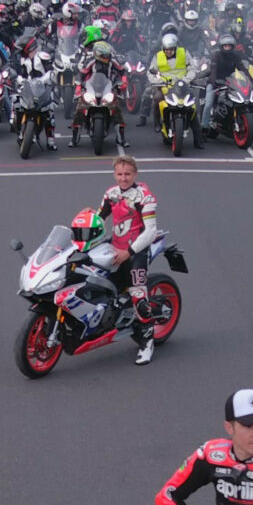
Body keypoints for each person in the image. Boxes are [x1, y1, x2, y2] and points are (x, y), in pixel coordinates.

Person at [97, 155, 160, 363]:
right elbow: (99, 219)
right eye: (119, 174)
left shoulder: (145, 197)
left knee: (138, 296)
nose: (123, 178)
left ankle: (147, 341)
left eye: (127, 174)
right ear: (114, 174)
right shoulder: (110, 193)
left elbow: (150, 232)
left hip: (137, 250)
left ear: (135, 174)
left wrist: (128, 253)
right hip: (115, 246)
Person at [78, 41, 133, 147]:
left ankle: (121, 138)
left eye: (108, 55)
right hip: (91, 88)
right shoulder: (90, 61)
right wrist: (79, 85)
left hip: (108, 88)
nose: (107, 57)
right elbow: (81, 74)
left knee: (117, 111)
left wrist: (124, 80)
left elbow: (123, 71)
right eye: (104, 55)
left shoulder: (113, 61)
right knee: (79, 108)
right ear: (97, 54)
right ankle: (75, 136)